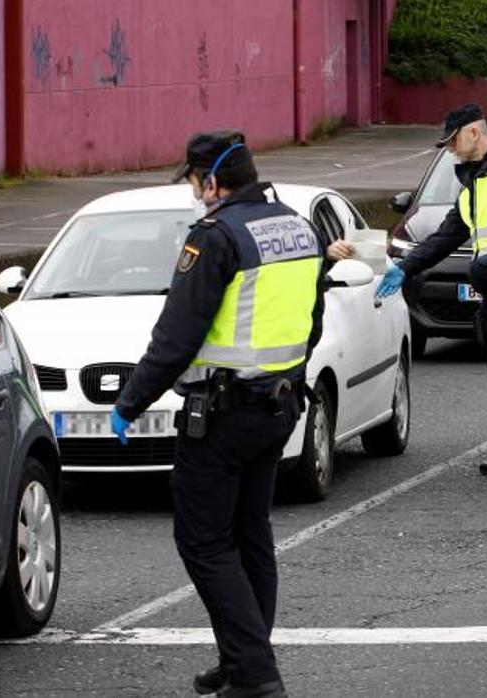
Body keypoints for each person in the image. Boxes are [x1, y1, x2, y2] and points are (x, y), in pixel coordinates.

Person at [110, 129, 327, 698]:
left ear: (212, 181)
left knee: (204, 542)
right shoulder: (297, 226)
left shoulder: (215, 237)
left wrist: (130, 402)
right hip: (278, 406)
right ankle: (242, 660)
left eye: (191, 180)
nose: (191, 191)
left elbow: (176, 336)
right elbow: (312, 319)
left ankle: (254, 673)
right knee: (250, 533)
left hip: (224, 416)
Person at [375, 103, 487, 482]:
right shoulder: (473, 183)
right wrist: (405, 268)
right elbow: (446, 236)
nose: (450, 148)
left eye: (453, 139)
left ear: (474, 131)